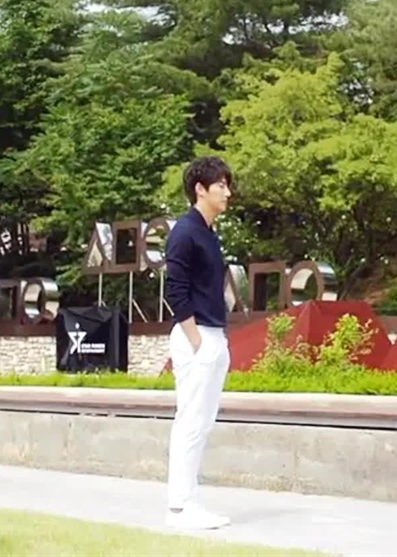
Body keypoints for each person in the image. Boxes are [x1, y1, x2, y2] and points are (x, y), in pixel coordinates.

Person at [162, 155, 234, 530]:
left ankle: (187, 502)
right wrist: (196, 341)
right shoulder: (185, 232)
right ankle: (179, 508)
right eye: (220, 185)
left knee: (202, 423)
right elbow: (175, 290)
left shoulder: (208, 233)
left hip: (212, 334)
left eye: (227, 185)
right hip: (196, 337)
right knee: (191, 421)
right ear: (200, 189)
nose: (227, 192)